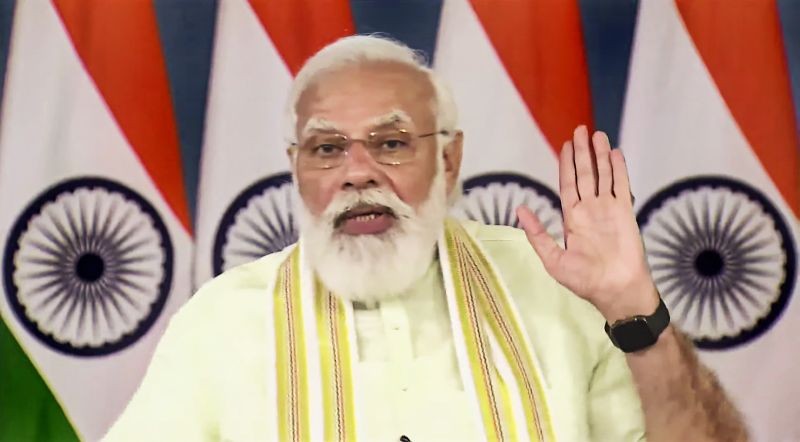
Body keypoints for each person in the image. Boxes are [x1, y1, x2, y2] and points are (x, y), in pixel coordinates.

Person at [105, 35, 747, 441]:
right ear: (296, 170)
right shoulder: (221, 321)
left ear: (449, 161)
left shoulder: (553, 287)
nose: (359, 173)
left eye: (390, 143)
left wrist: (636, 313)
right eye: (327, 148)